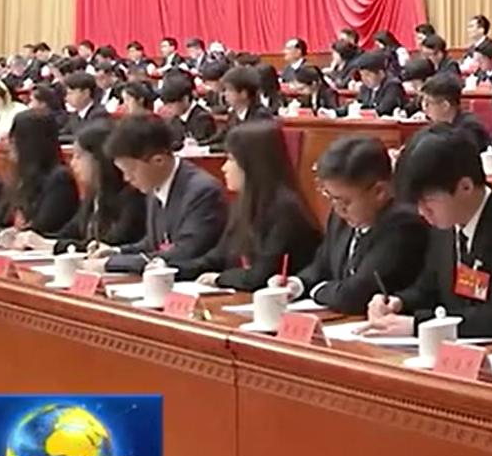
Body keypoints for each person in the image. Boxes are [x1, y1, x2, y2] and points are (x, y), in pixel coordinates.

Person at [365, 129, 492, 338]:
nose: (422, 212)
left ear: (465, 187)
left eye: (428, 200)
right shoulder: (445, 225)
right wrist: (398, 303)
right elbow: (429, 289)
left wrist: (420, 325)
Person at [291, 136, 432, 314]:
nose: (338, 209)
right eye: (331, 197)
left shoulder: (405, 225)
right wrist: (297, 284)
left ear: (379, 192)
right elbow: (322, 265)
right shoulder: (340, 216)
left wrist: (318, 291)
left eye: (345, 201)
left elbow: (355, 295)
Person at [189, 121, 322, 291]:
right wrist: (173, 268)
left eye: (231, 159)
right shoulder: (244, 203)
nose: (224, 168)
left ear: (252, 164)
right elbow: (219, 256)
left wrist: (219, 278)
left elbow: (260, 276)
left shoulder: (286, 209)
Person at [96, 114, 229, 277]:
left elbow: (184, 252)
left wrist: (114, 263)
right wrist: (117, 251)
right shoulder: (155, 184)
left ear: (158, 161)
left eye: (131, 170)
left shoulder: (203, 191)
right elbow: (155, 243)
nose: (127, 178)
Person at [35, 120, 146, 254]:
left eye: (78, 157)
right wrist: (33, 239)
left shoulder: (133, 198)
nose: (72, 163)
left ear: (99, 159)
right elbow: (68, 233)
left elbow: (109, 244)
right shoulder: (93, 196)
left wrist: (50, 245)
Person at [0, 111, 79, 235]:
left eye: (14, 140)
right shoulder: (19, 177)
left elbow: (42, 228)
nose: (9, 146)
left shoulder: (60, 180)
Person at [419, 74, 491, 154]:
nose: (424, 108)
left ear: (445, 106)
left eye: (428, 103)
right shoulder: (437, 127)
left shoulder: (468, 131)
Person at [157, 74, 219, 146]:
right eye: (166, 105)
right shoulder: (173, 121)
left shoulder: (203, 118)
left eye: (171, 105)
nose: (168, 109)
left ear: (185, 99)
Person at [350, 50, 407, 116]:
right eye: (362, 75)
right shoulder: (365, 88)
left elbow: (383, 110)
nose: (365, 79)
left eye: (368, 75)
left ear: (381, 73)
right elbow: (359, 104)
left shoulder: (393, 86)